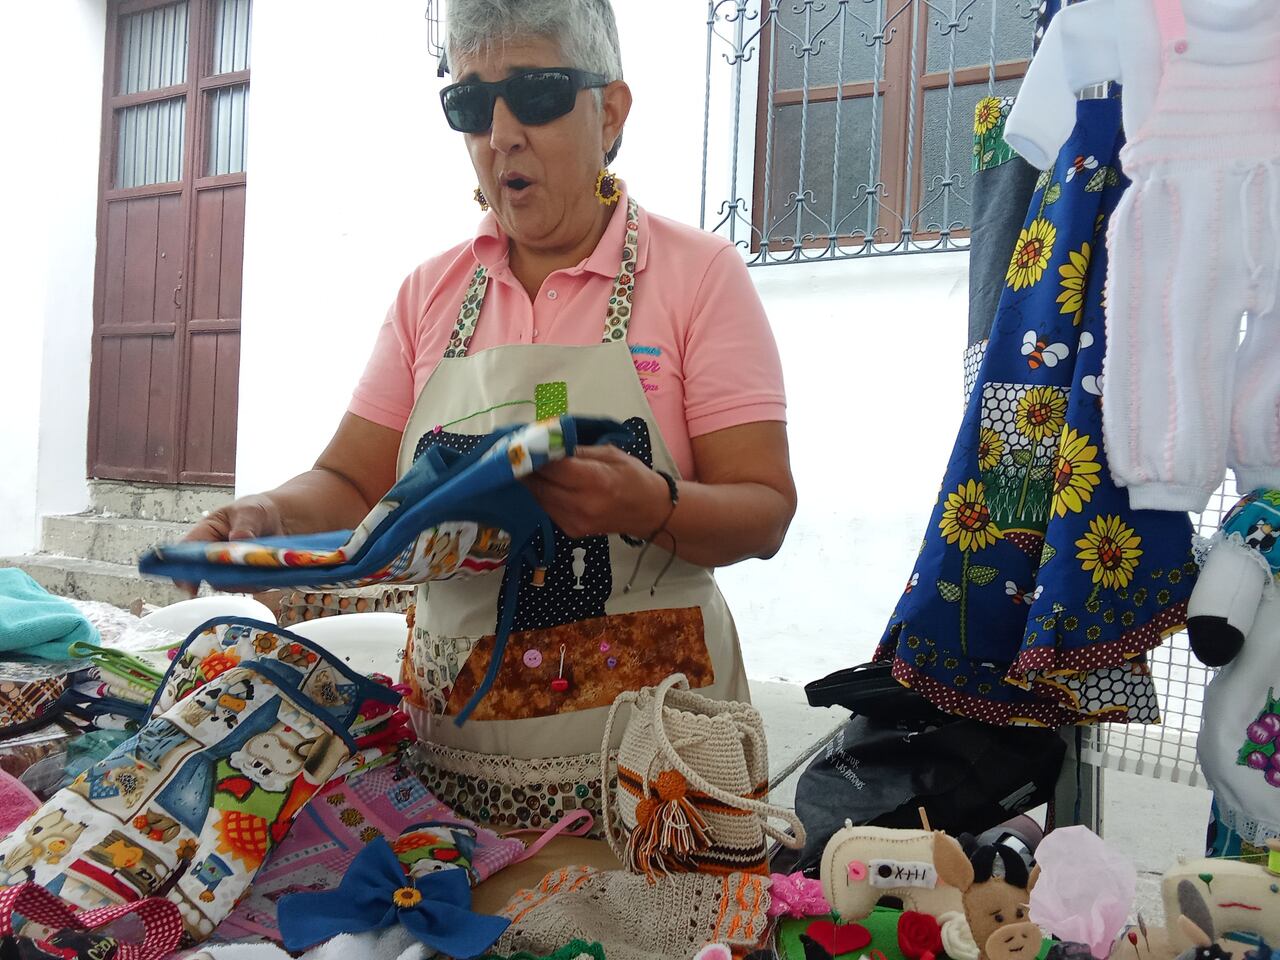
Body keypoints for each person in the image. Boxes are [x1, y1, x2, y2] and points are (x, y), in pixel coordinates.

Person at [186, 0, 795, 833]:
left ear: (609, 111)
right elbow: (347, 480)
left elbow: (764, 510)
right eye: (472, 104)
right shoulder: (429, 294)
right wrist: (267, 516)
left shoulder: (698, 277)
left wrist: (651, 507)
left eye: (536, 94)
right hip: (456, 787)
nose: (502, 132)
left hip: (660, 788)